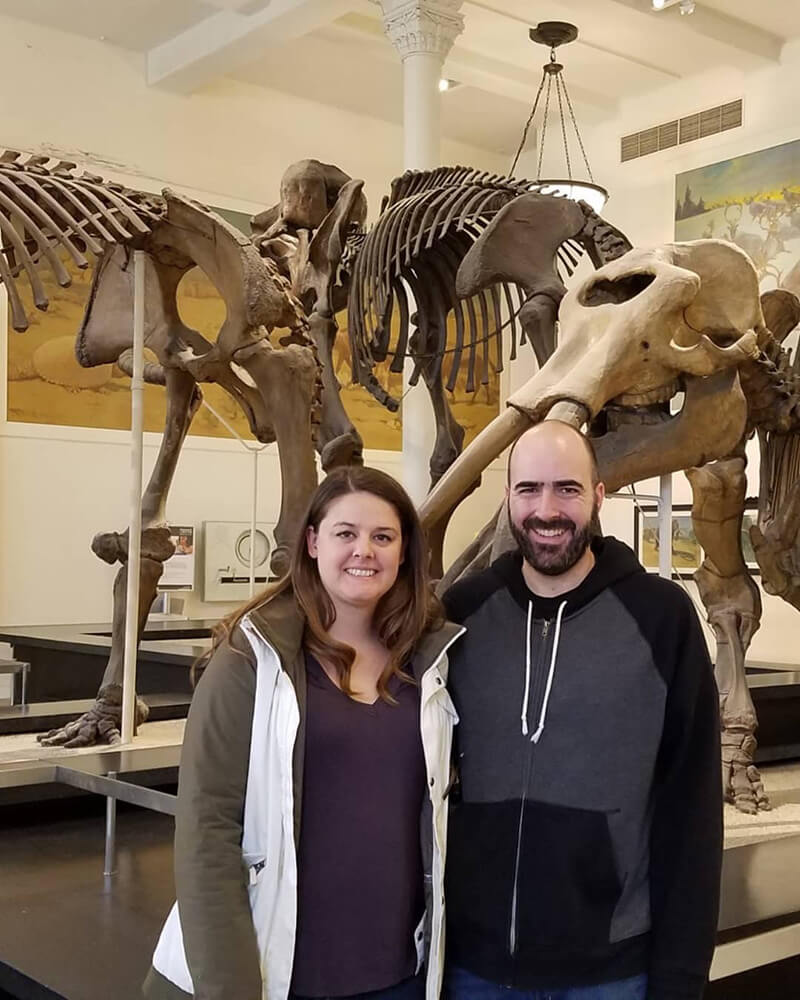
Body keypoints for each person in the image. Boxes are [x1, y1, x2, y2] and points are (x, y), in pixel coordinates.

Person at [143, 466, 463, 1000]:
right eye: (346, 534)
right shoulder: (249, 660)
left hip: (397, 973)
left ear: (405, 551)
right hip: (278, 974)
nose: (364, 550)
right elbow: (207, 829)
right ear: (313, 542)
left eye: (382, 537)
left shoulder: (430, 664)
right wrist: (229, 986)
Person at [441, 421, 723, 1000]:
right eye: (529, 490)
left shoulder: (661, 619)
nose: (547, 509)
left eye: (567, 489)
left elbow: (691, 810)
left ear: (599, 495)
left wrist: (682, 977)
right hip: (474, 967)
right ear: (508, 498)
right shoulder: (460, 616)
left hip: (612, 973)